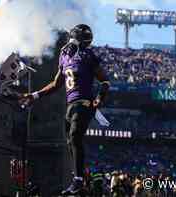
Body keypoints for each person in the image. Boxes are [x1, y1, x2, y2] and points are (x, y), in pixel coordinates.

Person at [19, 24, 110, 195]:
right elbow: (56, 84)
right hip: (71, 106)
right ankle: (79, 179)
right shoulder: (64, 57)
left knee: (75, 136)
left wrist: (99, 98)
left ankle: (78, 180)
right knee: (70, 141)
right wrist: (35, 95)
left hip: (84, 103)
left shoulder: (88, 55)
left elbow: (105, 81)